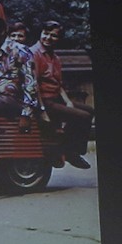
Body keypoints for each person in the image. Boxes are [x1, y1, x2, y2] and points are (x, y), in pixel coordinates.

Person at [29, 20, 93, 169]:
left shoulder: (55, 58)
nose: (48, 38)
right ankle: (71, 152)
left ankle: (70, 148)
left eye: (53, 36)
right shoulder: (34, 54)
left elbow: (58, 84)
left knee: (90, 110)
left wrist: (67, 101)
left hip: (56, 97)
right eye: (45, 33)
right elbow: (33, 85)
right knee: (83, 116)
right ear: (40, 33)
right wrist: (42, 109)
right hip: (44, 100)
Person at [0, 16, 38, 126]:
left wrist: (26, 114)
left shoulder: (20, 50)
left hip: (13, 99)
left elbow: (30, 83)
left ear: (2, 31)